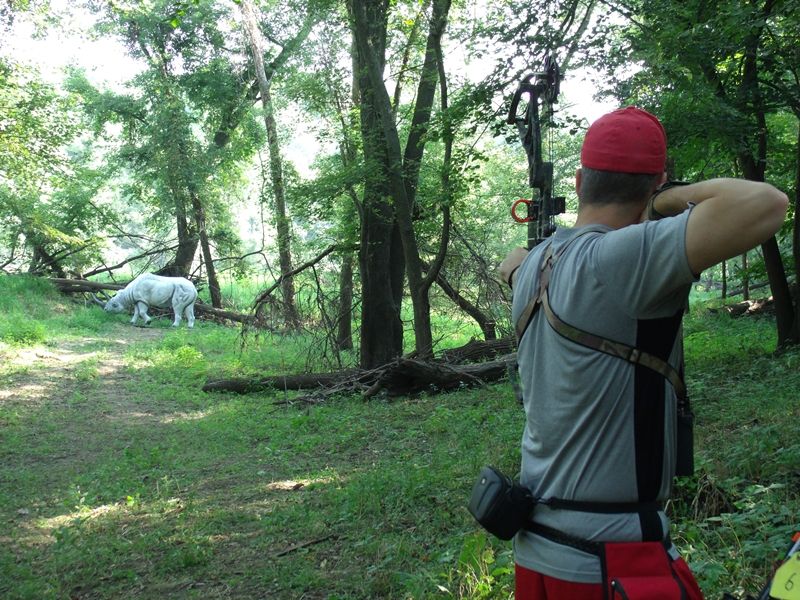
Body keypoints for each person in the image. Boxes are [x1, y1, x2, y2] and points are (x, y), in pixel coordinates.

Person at [498, 106, 788, 600]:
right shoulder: (623, 258)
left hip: (537, 555)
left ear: (580, 178)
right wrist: (668, 199)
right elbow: (767, 203)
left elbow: (509, 264)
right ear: (657, 183)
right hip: (610, 562)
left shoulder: (533, 266)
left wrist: (517, 264)